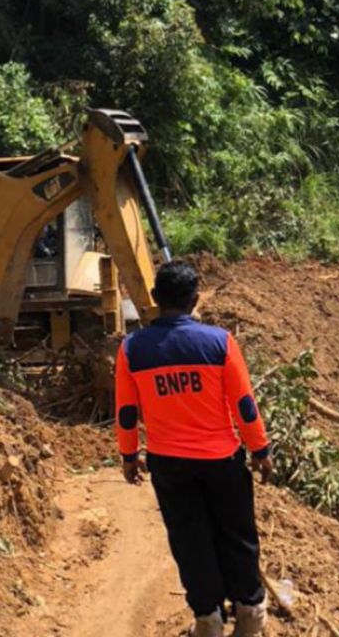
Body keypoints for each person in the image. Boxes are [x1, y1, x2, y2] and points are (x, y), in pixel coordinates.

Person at [115, 260, 274, 637]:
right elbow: (245, 406)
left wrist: (128, 455)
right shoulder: (219, 342)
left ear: (155, 299)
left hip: (170, 465)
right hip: (222, 461)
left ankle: (208, 620)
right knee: (237, 535)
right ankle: (250, 615)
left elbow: (125, 412)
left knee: (190, 541)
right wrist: (260, 450)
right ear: (195, 299)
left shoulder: (132, 349)